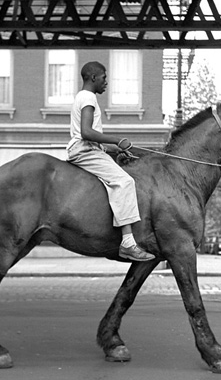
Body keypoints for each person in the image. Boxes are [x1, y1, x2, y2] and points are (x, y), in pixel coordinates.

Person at [66, 61, 155, 262]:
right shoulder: (88, 97)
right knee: (125, 182)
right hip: (84, 150)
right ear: (93, 77)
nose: (107, 82)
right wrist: (117, 140)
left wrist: (116, 150)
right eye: (104, 78)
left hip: (86, 148)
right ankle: (128, 243)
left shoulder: (82, 97)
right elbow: (86, 133)